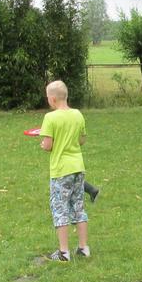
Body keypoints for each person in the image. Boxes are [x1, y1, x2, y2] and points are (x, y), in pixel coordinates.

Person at [39, 80, 90, 261]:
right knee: (78, 206)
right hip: (78, 168)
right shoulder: (77, 114)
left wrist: (43, 145)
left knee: (60, 209)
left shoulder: (50, 118)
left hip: (61, 170)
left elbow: (48, 145)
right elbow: (81, 140)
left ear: (52, 99)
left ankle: (63, 253)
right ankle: (83, 248)